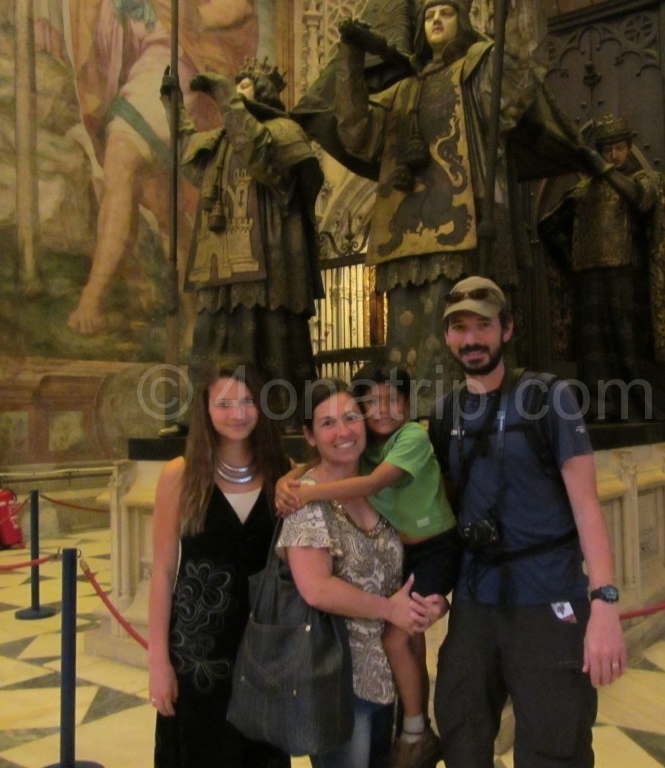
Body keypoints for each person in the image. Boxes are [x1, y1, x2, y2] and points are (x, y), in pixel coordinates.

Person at [429, 276, 627, 768]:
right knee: (463, 735)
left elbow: (587, 507)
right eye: (459, 328)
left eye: (483, 325)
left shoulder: (548, 399)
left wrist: (604, 604)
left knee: (554, 744)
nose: (471, 338)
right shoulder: (443, 413)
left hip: (548, 598)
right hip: (475, 602)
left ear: (507, 329)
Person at [332, 0, 538, 411]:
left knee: (463, 318)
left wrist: (516, 15)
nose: (437, 21)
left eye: (446, 12)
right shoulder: (403, 91)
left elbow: (514, 86)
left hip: (464, 219)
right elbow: (358, 133)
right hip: (408, 229)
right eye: (429, 15)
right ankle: (414, 411)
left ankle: (468, 409)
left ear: (463, 21)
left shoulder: (477, 68)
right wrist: (350, 58)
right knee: (407, 332)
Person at [277, 363, 459, 768]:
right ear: (310, 435)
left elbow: (409, 567)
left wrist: (434, 603)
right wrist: (295, 484)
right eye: (327, 423)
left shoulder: (385, 465)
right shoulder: (305, 502)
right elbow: (316, 589)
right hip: (340, 682)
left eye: (349, 418)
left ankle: (417, 727)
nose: (343, 431)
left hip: (389, 685)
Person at [67, 0, 258, 336]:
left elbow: (237, 10)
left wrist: (185, 13)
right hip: (154, 81)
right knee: (169, 216)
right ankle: (193, 321)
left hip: (169, 83)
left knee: (121, 162)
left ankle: (91, 300)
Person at [147, 355, 291, 768]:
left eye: (247, 402)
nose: (237, 413)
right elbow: (162, 571)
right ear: (206, 409)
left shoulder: (282, 472)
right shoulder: (181, 475)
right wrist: (158, 660)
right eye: (224, 403)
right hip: (199, 653)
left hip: (264, 652)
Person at [160, 61, 323, 422]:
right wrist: (172, 106)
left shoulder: (283, 130)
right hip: (222, 259)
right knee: (214, 338)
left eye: (245, 85)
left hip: (268, 257)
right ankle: (202, 419)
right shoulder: (221, 140)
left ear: (264, 91)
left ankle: (278, 415)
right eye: (236, 85)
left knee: (267, 339)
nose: (237, 91)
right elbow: (190, 157)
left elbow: (260, 157)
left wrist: (223, 95)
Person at [538, 114, 665, 421]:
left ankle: (642, 405)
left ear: (629, 147)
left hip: (626, 276)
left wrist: (603, 170)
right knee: (594, 351)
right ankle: (602, 406)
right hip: (589, 279)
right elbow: (547, 224)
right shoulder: (582, 191)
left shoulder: (644, 180)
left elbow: (641, 200)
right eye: (606, 150)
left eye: (619, 148)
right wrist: (572, 261)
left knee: (629, 345)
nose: (613, 155)